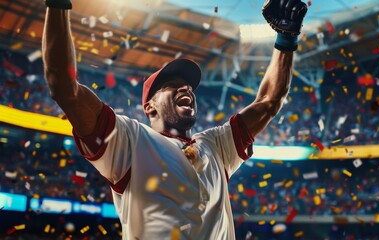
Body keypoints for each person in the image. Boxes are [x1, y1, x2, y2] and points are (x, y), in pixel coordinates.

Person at [42, 0, 307, 239]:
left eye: (189, 87)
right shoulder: (129, 139)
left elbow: (269, 102)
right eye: (171, 85)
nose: (186, 89)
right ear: (150, 107)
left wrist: (285, 38)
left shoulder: (216, 145)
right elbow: (64, 87)